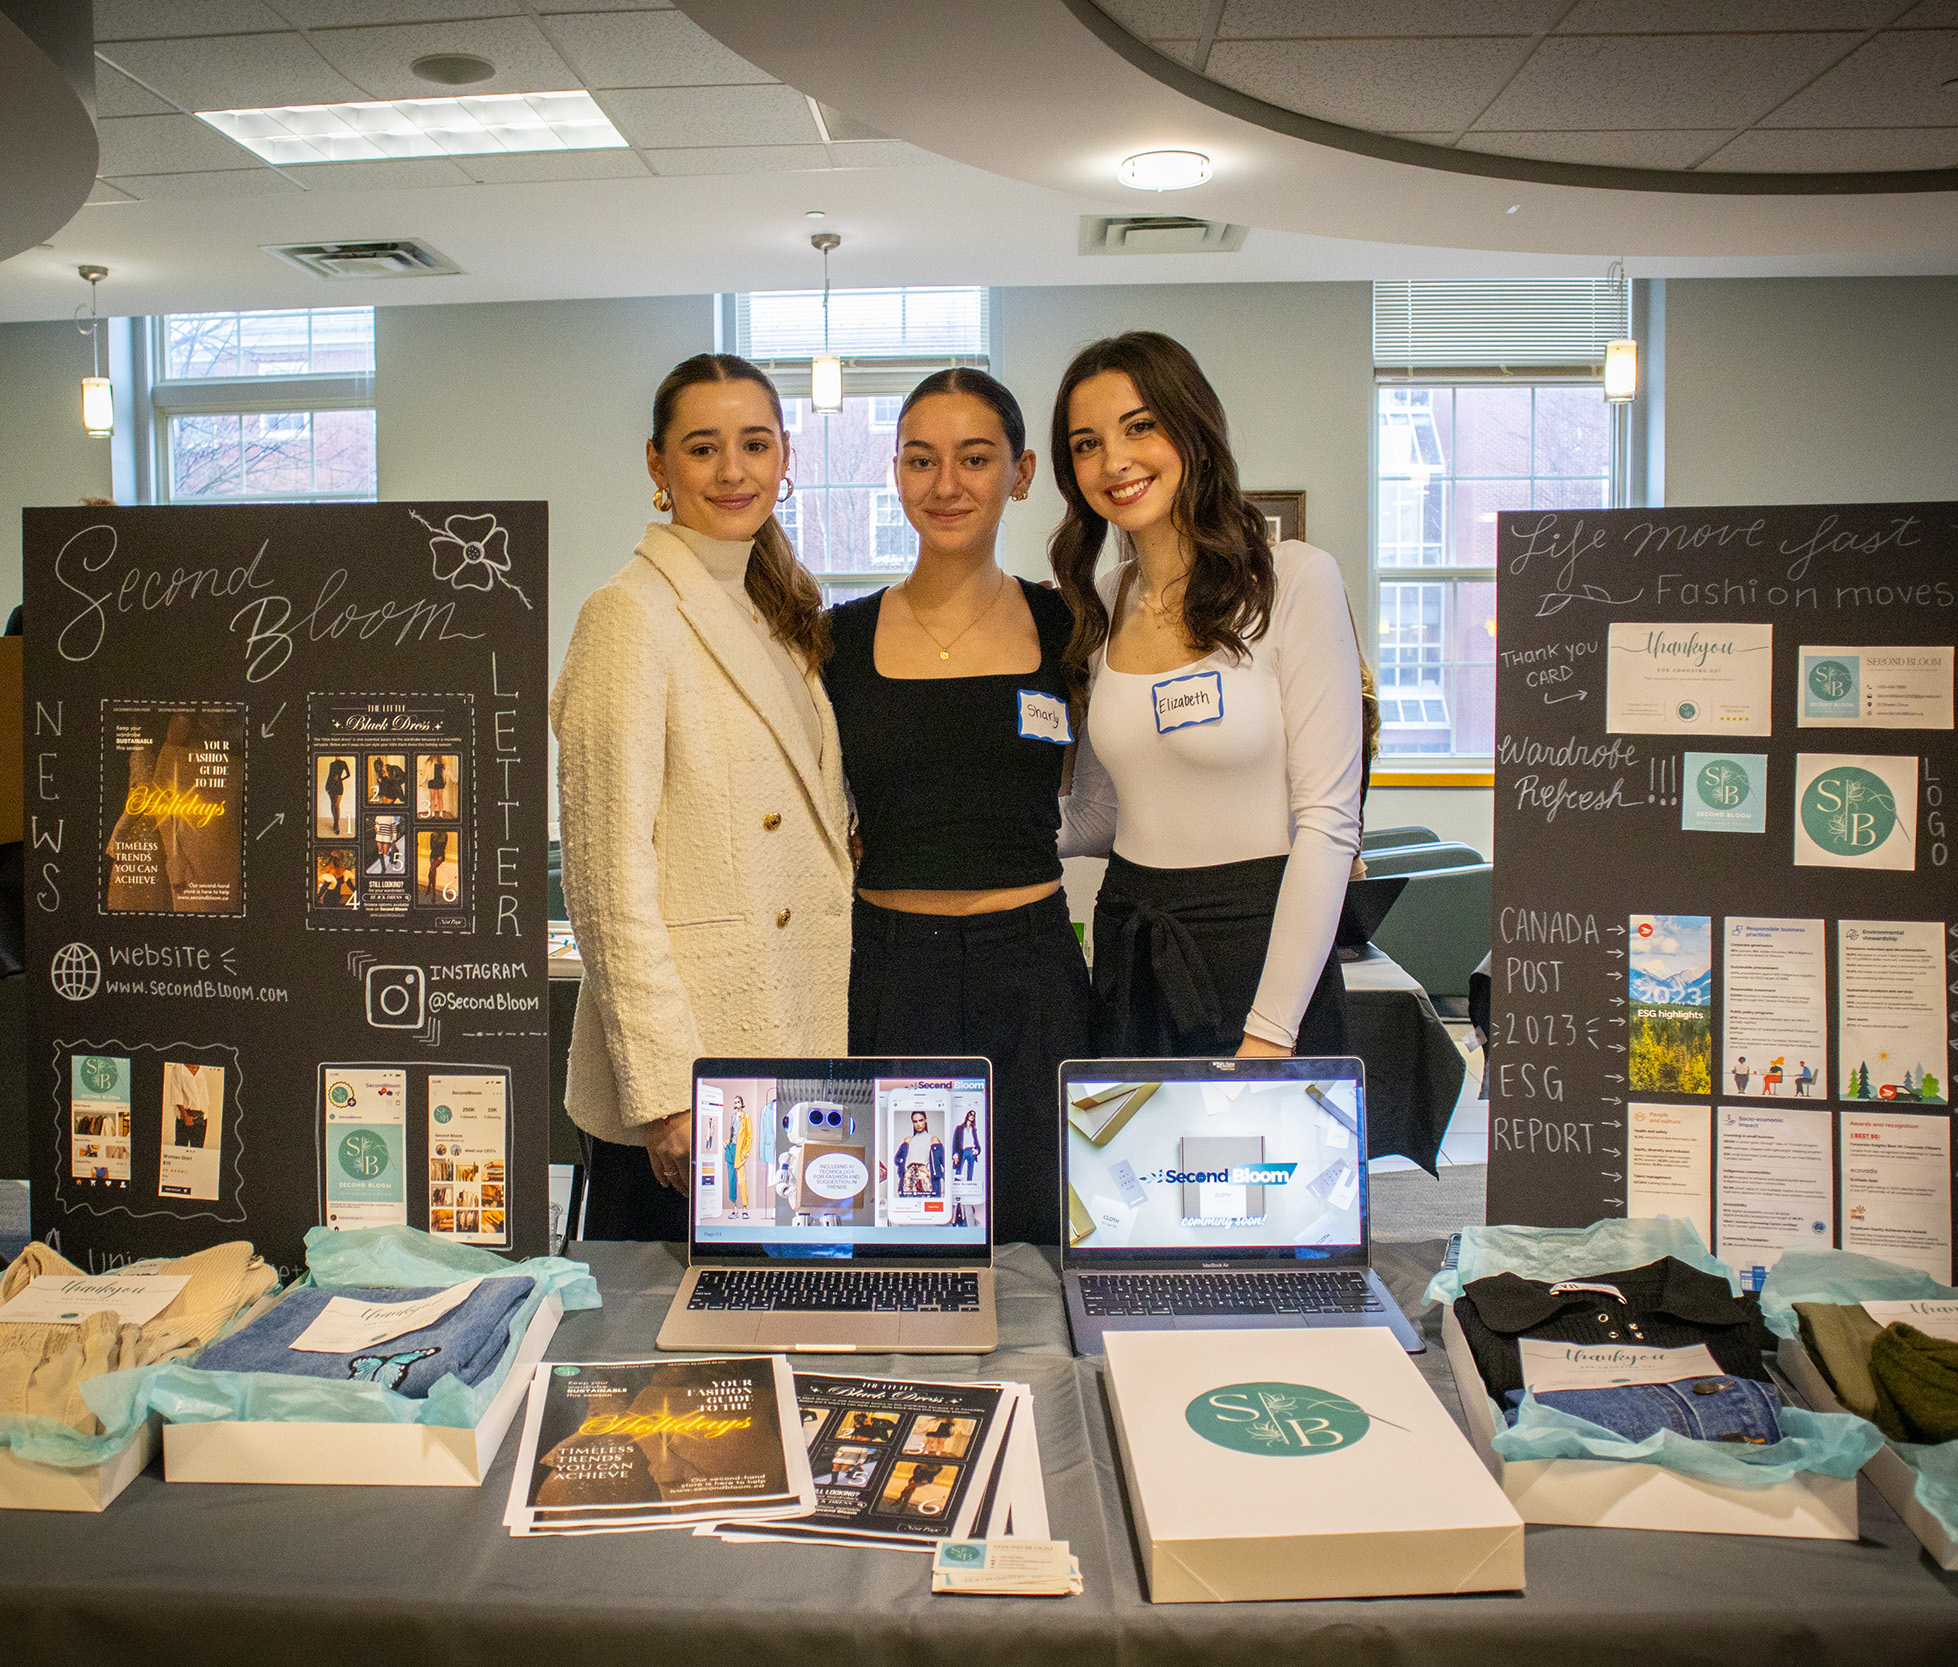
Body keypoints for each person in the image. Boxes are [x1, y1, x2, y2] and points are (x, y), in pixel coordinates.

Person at [552, 353, 851, 1241]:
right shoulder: (629, 614)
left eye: (754, 444)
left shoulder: (771, 608)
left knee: (774, 1331)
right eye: (703, 447)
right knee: (672, 1358)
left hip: (787, 1034)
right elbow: (607, 883)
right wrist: (665, 1091)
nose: (733, 471)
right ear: (658, 465)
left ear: (784, 456)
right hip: (694, 1077)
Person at [823, 368, 1089, 1245]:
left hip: (1035, 974)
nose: (946, 485)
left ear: (1020, 472)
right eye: (920, 460)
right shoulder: (837, 640)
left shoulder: (1068, 627)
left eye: (974, 459)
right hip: (888, 973)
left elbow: (1105, 793)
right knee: (893, 1233)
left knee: (1043, 1232)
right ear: (895, 473)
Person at [1052, 331, 1362, 1061]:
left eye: (1139, 427)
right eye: (1087, 443)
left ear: (1192, 428)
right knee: (1127, 1178)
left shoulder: (1294, 581)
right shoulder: (1101, 604)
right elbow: (1097, 814)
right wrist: (957, 831)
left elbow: (1328, 820)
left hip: (1261, 950)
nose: (1115, 461)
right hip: (1133, 949)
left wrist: (1273, 1029)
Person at [952, 1106, 982, 1183]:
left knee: (970, 1172)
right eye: (971, 1114)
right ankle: (957, 1186)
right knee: (958, 1171)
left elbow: (976, 1143)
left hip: (971, 1151)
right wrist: (955, 1154)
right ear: (967, 1115)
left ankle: (969, 1186)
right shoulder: (959, 1128)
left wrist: (977, 1151)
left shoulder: (973, 1130)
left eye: (974, 1115)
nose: (972, 1116)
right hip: (962, 1151)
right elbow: (955, 1142)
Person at [324, 757, 350, 834]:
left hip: (338, 785)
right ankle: (335, 822)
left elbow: (348, 774)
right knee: (333, 804)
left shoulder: (343, 763)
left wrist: (340, 779)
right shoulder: (331, 764)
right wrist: (327, 785)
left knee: (336, 805)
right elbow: (330, 775)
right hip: (330, 785)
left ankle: (336, 824)